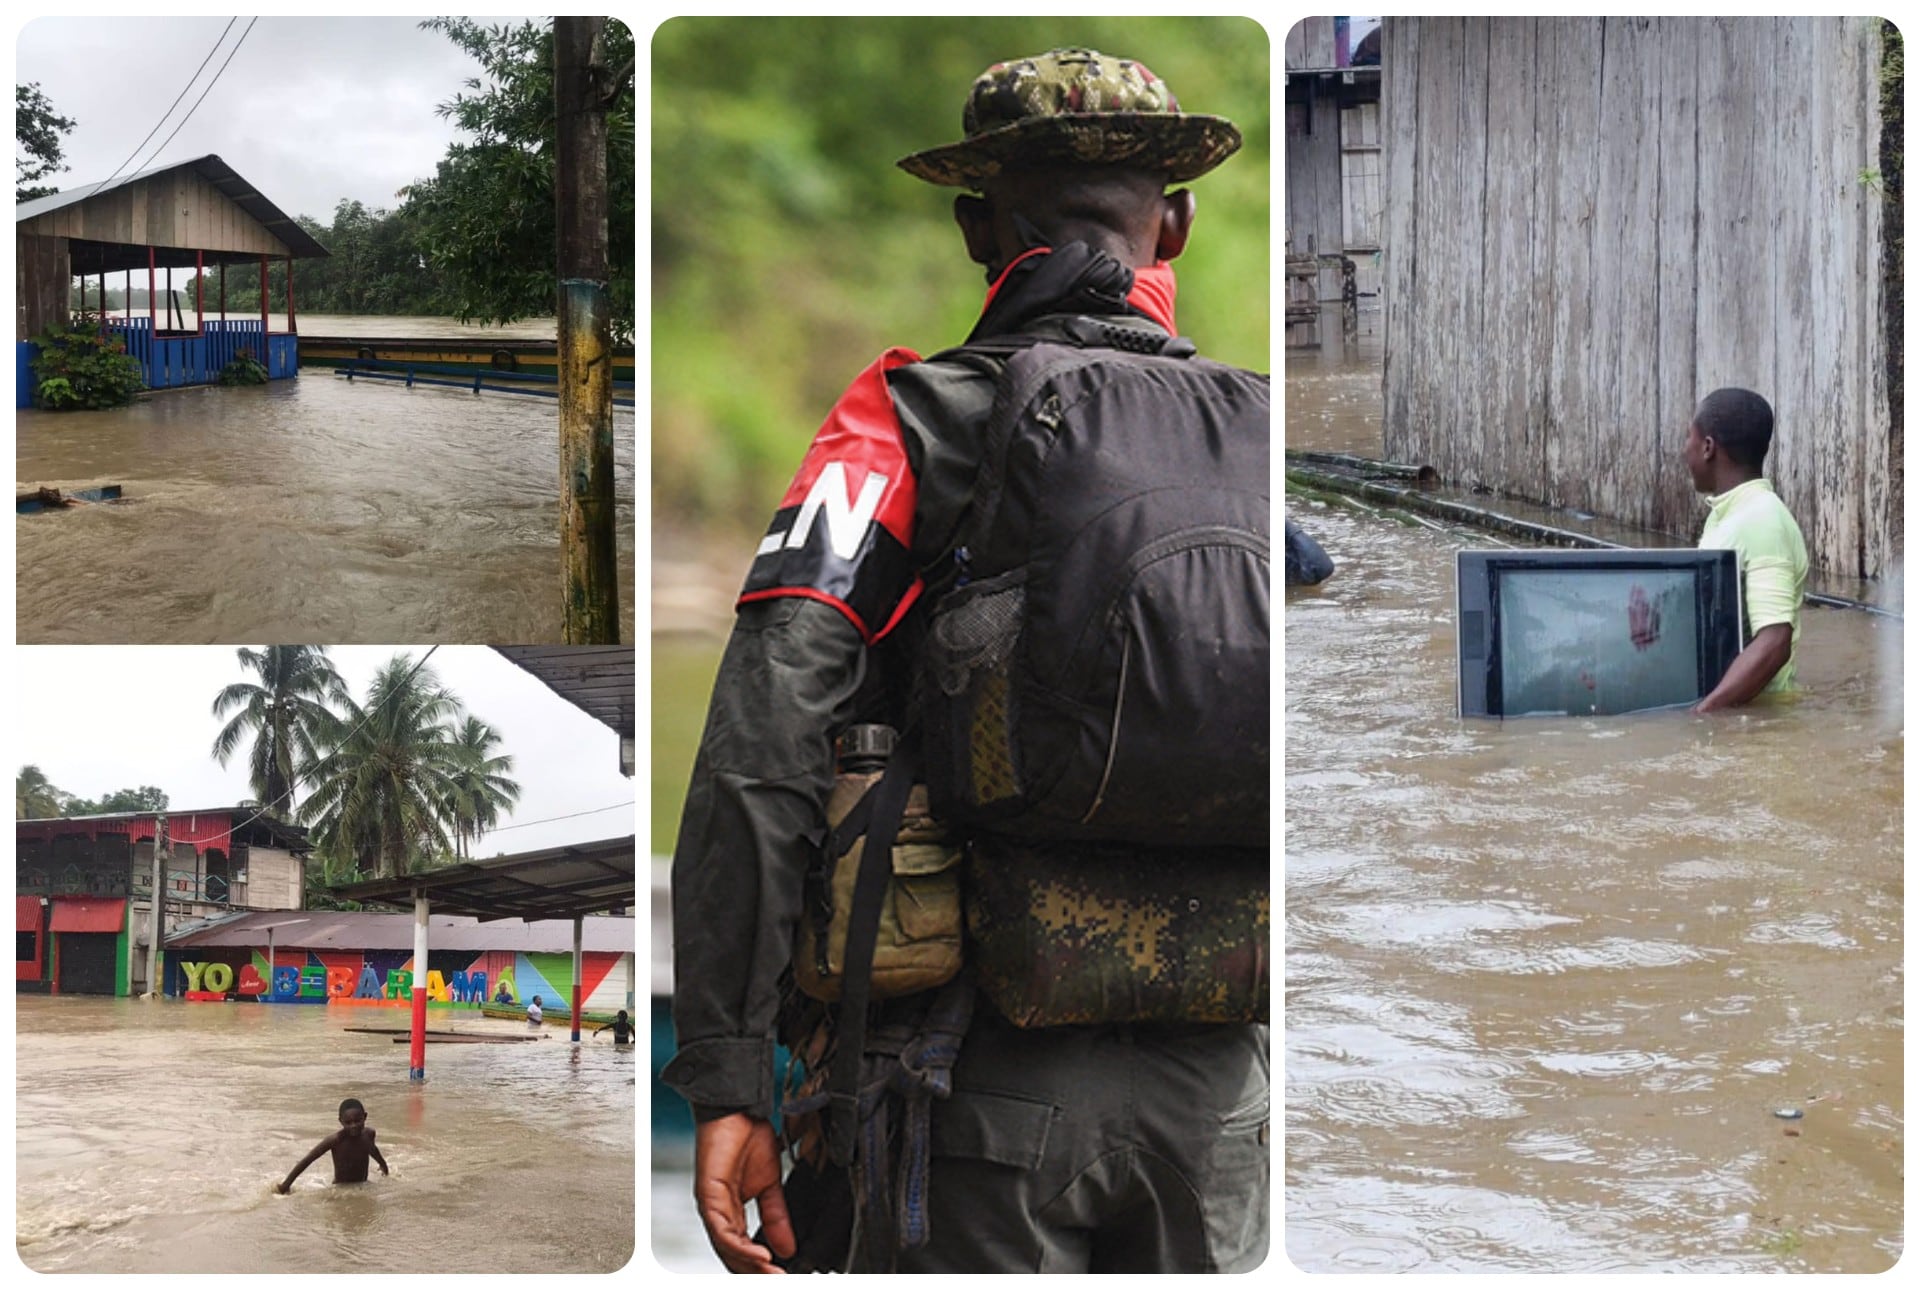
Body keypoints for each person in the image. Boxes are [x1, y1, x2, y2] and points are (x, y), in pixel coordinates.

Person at [664, 47, 1267, 1274]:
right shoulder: (1262, 431)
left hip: (967, 1100)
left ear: (975, 227)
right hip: (1223, 1116)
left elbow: (762, 741)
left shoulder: (904, 420)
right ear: (1181, 226)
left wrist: (728, 1077)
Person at [1682, 387, 1809, 712]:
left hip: (1757, 720)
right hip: (1735, 711)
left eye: (1689, 438)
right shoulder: (1729, 515)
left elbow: (1774, 641)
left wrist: (1704, 713)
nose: (1685, 451)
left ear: (1708, 447)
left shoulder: (1762, 520)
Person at [275, 1097, 388, 1192]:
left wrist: (384, 1166)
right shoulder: (335, 1140)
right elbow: (307, 1160)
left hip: (363, 1186)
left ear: (365, 1117)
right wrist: (286, 1185)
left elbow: (373, 1150)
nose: (353, 1126)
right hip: (340, 1190)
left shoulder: (369, 1134)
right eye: (348, 1123)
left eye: (357, 1121)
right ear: (340, 1121)